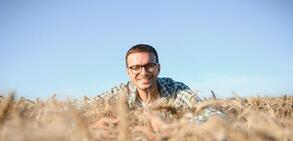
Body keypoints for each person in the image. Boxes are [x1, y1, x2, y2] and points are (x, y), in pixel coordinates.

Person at [92, 44, 222, 129]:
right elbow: (76, 111)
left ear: (158, 68)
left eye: (149, 66)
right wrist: (92, 126)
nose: (143, 73)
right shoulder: (120, 92)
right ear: (128, 72)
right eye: (136, 68)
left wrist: (174, 126)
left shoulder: (176, 90)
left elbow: (216, 117)